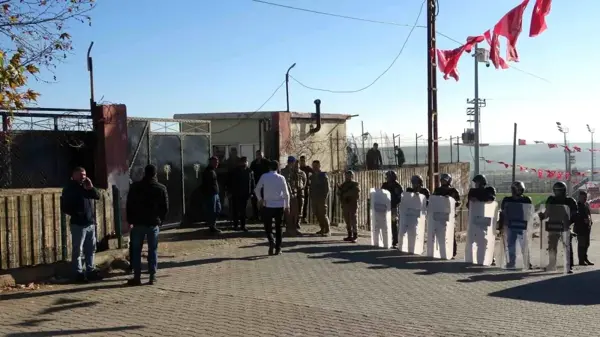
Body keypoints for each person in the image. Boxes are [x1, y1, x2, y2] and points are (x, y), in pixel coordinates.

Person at [126, 164, 169, 286]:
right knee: (152, 250)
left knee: (136, 250)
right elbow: (165, 207)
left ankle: (137, 277)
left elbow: (129, 205)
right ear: (155, 174)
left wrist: (130, 220)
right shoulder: (161, 188)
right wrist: (160, 220)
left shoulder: (135, 187)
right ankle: (152, 276)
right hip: (152, 223)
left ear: (144, 173)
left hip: (138, 223)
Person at [61, 167, 102, 282]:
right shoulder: (69, 188)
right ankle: (78, 273)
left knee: (91, 249)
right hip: (78, 224)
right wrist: (77, 213)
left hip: (90, 223)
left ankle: (90, 270)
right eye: (80, 175)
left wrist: (91, 187)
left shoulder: (86, 186)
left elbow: (97, 196)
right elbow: (65, 207)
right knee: (78, 250)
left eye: (84, 174)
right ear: (73, 175)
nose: (83, 177)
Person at [539, 181, 577, 273]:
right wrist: (542, 216)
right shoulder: (551, 199)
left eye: (560, 190)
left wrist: (569, 224)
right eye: (557, 190)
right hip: (553, 226)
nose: (559, 192)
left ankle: (568, 265)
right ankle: (552, 264)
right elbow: (547, 213)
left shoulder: (570, 201)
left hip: (565, 226)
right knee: (552, 246)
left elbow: (574, 215)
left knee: (567, 246)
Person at [254, 160, 290, 255]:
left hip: (268, 204)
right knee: (279, 227)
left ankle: (271, 241)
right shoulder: (281, 178)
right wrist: (287, 205)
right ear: (278, 168)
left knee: (268, 226)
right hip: (279, 205)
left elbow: (257, 189)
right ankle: (278, 248)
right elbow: (286, 193)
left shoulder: (264, 176)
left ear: (269, 167)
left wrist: (260, 199)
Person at [497, 181, 532, 269]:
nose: (520, 191)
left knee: (524, 245)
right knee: (510, 245)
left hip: (522, 225)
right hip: (510, 225)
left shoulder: (526, 199)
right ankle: (511, 263)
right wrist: (501, 225)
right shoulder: (507, 200)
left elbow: (529, 212)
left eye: (521, 189)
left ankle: (527, 262)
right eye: (518, 189)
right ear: (513, 190)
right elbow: (503, 212)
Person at [466, 174, 497, 265]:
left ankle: (490, 257)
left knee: (486, 239)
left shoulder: (489, 190)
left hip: (485, 217)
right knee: (475, 239)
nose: (476, 184)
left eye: (477, 183)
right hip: (475, 218)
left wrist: (478, 200)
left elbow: (491, 199)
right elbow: (468, 205)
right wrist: (472, 201)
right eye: (475, 183)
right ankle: (474, 258)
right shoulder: (472, 191)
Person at [433, 173, 461, 258]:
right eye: (442, 180)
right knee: (439, 233)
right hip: (439, 215)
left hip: (449, 215)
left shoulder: (453, 191)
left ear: (448, 180)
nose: (443, 181)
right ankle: (440, 251)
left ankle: (452, 252)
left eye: (444, 180)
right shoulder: (438, 190)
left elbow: (458, 202)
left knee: (450, 233)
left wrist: (450, 200)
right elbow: (433, 199)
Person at [281, 156, 306, 237]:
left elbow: (298, 181)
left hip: (294, 193)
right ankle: (289, 229)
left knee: (295, 212)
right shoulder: (285, 171)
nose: (295, 164)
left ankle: (294, 228)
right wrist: (291, 192)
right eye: (294, 162)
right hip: (288, 194)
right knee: (289, 213)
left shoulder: (294, 171)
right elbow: (287, 182)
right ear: (291, 162)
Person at [227, 156, 255, 232]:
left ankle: (243, 226)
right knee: (235, 210)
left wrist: (252, 192)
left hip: (245, 194)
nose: (244, 163)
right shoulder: (234, 171)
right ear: (240, 162)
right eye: (243, 162)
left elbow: (252, 183)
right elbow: (229, 182)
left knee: (243, 211)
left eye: (246, 161)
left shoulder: (250, 171)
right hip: (235, 193)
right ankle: (235, 225)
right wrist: (229, 192)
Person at [381, 170, 403, 248]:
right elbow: (381, 194)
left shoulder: (397, 185)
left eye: (388, 176)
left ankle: (395, 241)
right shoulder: (385, 185)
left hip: (393, 207)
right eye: (387, 176)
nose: (387, 178)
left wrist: (394, 202)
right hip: (385, 207)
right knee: (385, 223)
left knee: (394, 224)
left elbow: (399, 197)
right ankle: (386, 239)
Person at [338, 170, 361, 243]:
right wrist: (340, 191)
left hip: (352, 204)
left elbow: (355, 192)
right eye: (346, 175)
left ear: (352, 176)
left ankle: (355, 235)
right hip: (345, 204)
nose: (347, 177)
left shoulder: (355, 184)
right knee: (347, 220)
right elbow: (339, 193)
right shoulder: (343, 185)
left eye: (349, 175)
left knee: (353, 220)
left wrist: (345, 194)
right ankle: (349, 234)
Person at [310, 160, 331, 236]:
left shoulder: (323, 176)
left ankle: (327, 230)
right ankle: (322, 228)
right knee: (317, 214)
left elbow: (327, 188)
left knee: (323, 214)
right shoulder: (312, 176)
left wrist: (324, 198)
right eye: (313, 166)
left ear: (319, 166)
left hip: (321, 198)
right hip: (314, 198)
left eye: (316, 166)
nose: (314, 167)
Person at [202, 156, 222, 233]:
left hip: (215, 193)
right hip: (211, 194)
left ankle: (213, 225)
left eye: (217, 162)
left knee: (218, 209)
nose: (217, 164)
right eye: (215, 162)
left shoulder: (212, 170)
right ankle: (212, 227)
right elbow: (207, 184)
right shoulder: (208, 171)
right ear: (211, 162)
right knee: (212, 211)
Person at [574, 190, 593, 266]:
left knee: (586, 244)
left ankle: (585, 258)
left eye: (585, 196)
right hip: (580, 228)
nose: (585, 198)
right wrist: (583, 220)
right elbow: (575, 216)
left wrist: (590, 221)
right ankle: (581, 260)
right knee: (581, 245)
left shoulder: (586, 205)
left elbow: (588, 215)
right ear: (579, 197)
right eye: (583, 197)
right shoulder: (577, 206)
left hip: (586, 228)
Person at [250, 150, 270, 220]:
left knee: (263, 200)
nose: (259, 156)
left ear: (263, 155)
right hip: (256, 184)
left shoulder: (267, 162)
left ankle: (263, 215)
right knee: (254, 201)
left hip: (264, 185)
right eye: (258, 155)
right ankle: (255, 215)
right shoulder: (253, 163)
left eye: (260, 155)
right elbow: (251, 173)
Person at [299, 155, 313, 225]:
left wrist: (310, 181)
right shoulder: (298, 168)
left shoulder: (307, 168)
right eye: (301, 160)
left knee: (305, 203)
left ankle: (304, 217)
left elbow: (314, 173)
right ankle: (298, 217)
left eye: (303, 160)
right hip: (298, 188)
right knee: (299, 203)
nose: (302, 162)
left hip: (305, 188)